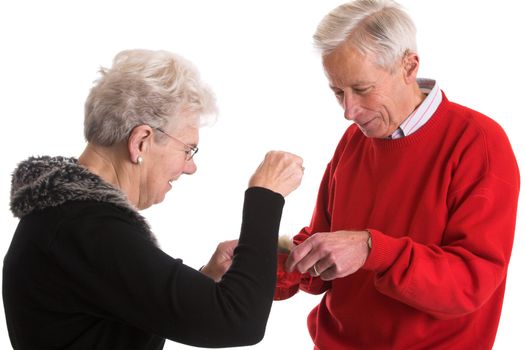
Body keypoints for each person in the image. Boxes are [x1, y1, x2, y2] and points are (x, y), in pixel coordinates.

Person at [3, 49, 304, 349]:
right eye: (188, 149)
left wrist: (207, 280)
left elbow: (123, 313)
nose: (190, 167)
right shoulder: (84, 227)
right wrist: (266, 195)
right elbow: (239, 322)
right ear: (141, 142)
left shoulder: (68, 219)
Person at [274, 1, 520, 349]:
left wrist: (373, 249)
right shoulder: (354, 140)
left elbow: (472, 282)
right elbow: (323, 248)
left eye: (361, 89)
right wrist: (260, 260)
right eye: (337, 92)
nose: (349, 111)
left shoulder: (478, 142)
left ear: (408, 66)